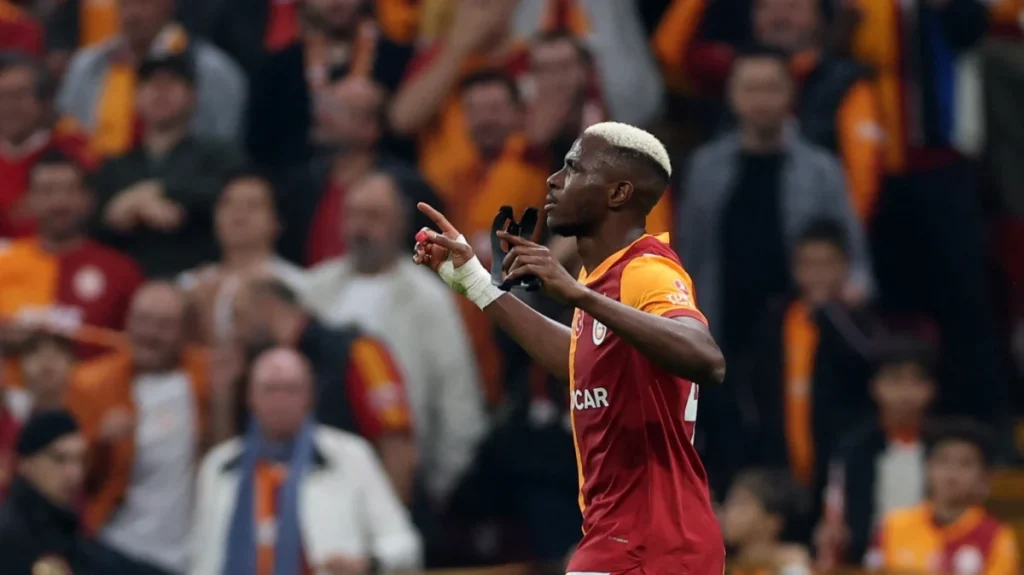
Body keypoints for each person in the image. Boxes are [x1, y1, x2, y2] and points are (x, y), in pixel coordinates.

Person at [414, 121, 726, 574]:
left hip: (650, 542)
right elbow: (578, 362)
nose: (554, 180)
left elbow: (707, 359)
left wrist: (579, 296)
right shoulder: (601, 280)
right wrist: (477, 284)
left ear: (618, 193)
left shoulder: (646, 271)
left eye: (575, 168)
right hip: (630, 536)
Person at [192, 347, 421, 575]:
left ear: (309, 396)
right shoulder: (220, 464)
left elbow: (405, 544)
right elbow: (201, 559)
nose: (280, 400)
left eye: (291, 389)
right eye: (270, 389)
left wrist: (368, 564)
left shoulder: (350, 456)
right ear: (250, 397)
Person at [0, 410, 169, 574]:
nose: (74, 473)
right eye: (60, 459)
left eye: (80, 460)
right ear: (26, 463)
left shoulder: (66, 530)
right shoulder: (11, 536)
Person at [865, 419, 1019, 575]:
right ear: (927, 468)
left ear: (984, 476)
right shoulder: (892, 527)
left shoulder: (995, 536)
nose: (952, 473)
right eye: (943, 460)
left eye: (965, 463)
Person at [721, 469, 811, 575]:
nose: (728, 512)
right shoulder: (723, 563)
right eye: (728, 503)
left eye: (740, 504)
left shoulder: (793, 568)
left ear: (773, 521)